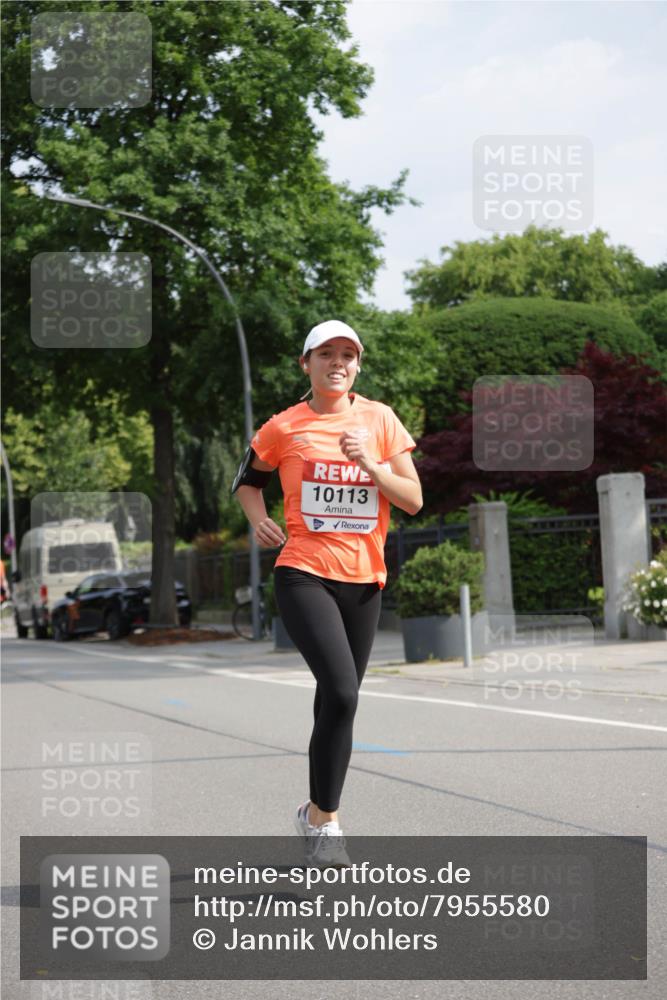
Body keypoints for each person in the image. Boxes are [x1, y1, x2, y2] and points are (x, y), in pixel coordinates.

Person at [233, 319, 423, 866]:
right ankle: (329, 824)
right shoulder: (284, 427)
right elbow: (247, 481)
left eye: (348, 354)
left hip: (365, 581)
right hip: (303, 572)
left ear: (357, 365)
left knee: (336, 704)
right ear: (306, 364)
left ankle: (313, 814)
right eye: (326, 354)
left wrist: (371, 465)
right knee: (342, 691)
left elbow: (411, 499)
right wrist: (257, 519)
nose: (338, 362)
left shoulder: (380, 420)